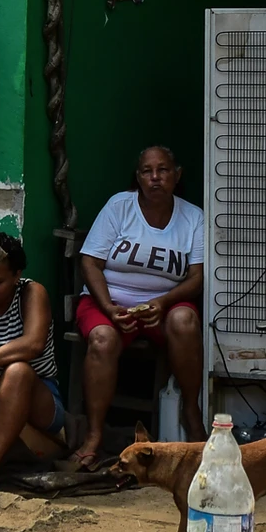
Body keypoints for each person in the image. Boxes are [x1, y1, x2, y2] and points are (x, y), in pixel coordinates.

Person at [69, 145, 205, 468]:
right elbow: (90, 262)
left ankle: (191, 410)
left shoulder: (193, 217)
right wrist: (109, 306)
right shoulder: (119, 207)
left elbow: (196, 278)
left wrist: (163, 302)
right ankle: (94, 435)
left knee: (185, 320)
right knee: (102, 339)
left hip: (163, 306)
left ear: (177, 175)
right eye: (147, 171)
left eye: (163, 170)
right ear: (138, 177)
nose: (155, 178)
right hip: (109, 302)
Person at [0, 232, 63, 507]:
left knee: (17, 371)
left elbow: (33, 344)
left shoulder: (31, 292)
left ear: (16, 275)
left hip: (36, 396)